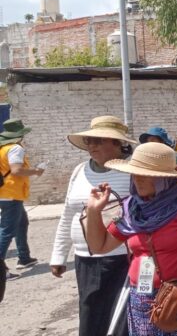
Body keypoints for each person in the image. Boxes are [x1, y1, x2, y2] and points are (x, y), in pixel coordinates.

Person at [84, 142, 177, 336]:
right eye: (135, 173)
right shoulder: (132, 208)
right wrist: (93, 210)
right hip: (141, 300)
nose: (137, 179)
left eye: (146, 174)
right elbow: (99, 246)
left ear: (164, 178)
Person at [50, 115, 136, 336]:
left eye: (98, 141)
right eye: (89, 141)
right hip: (85, 260)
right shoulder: (79, 171)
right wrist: (59, 255)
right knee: (90, 317)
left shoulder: (132, 171)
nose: (91, 146)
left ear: (117, 143)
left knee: (119, 320)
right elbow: (68, 213)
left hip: (121, 258)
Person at [0, 119, 44, 281]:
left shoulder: (2, 148)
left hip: (5, 192)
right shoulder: (15, 148)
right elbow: (16, 170)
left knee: (21, 223)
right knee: (7, 231)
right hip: (11, 193)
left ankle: (24, 258)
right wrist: (36, 171)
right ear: (20, 135)